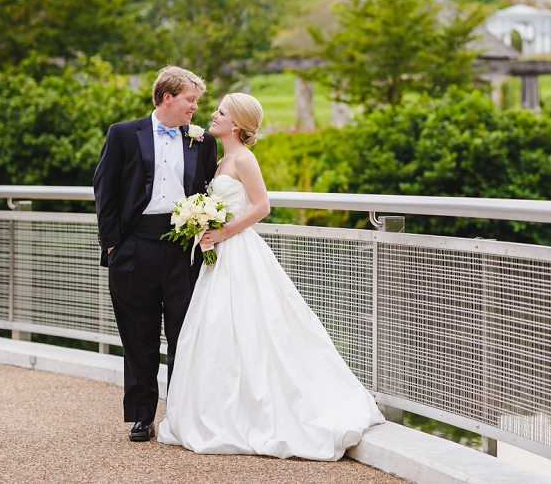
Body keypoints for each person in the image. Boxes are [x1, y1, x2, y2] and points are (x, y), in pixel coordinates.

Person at [159, 93, 384, 459]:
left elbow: (262, 205)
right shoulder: (221, 159)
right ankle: (221, 409)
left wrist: (223, 232)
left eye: (221, 112)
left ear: (236, 125)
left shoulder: (244, 159)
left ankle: (259, 412)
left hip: (238, 251)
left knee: (254, 327)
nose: (212, 115)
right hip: (219, 253)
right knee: (218, 328)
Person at [92, 66, 218, 442]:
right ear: (168, 98)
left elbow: (208, 192)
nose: (196, 108)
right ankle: (142, 416)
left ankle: (180, 417)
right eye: (190, 100)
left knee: (185, 335)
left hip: (182, 250)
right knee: (139, 336)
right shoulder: (123, 134)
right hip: (133, 248)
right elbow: (105, 190)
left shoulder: (203, 142)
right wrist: (113, 245)